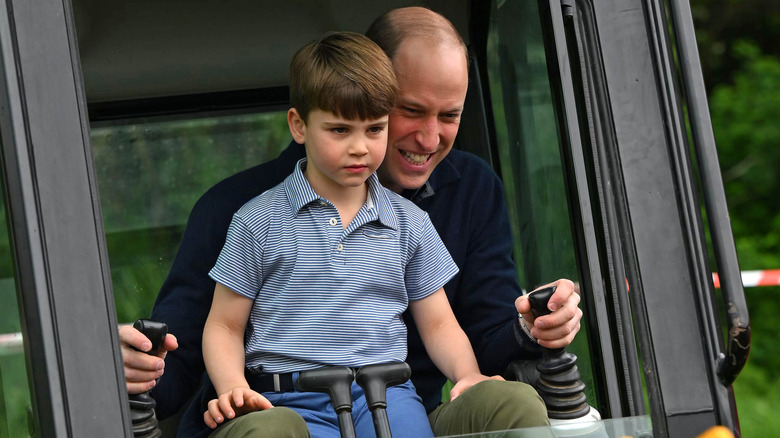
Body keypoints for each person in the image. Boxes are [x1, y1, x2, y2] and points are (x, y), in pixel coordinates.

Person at [120, 6, 583, 437]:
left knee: (511, 403)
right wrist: (136, 367)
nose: (428, 137)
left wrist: (532, 329)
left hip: (394, 408)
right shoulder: (243, 211)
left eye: (450, 116)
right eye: (412, 111)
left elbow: (468, 332)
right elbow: (194, 344)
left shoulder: (455, 199)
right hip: (280, 408)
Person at [201, 30, 496, 437]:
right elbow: (225, 326)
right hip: (289, 399)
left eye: (374, 129)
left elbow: (440, 324)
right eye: (340, 130)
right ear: (298, 126)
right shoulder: (257, 220)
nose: (360, 147)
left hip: (389, 392)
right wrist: (232, 386)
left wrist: (468, 374)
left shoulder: (409, 222)